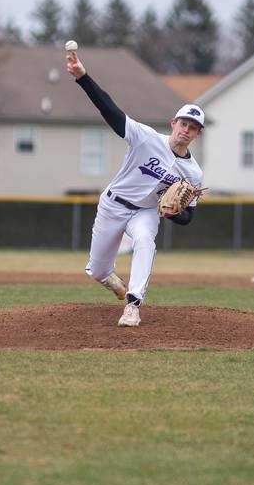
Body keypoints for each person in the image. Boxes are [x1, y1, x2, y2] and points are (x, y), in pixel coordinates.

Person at [66, 47, 204, 327]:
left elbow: (188, 217)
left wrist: (174, 213)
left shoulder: (193, 172)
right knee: (97, 270)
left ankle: (133, 304)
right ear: (173, 123)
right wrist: (83, 78)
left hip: (146, 212)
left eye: (193, 127)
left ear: (198, 133)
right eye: (183, 123)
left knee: (145, 242)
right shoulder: (146, 138)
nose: (186, 130)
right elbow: (110, 110)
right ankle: (109, 278)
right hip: (113, 204)